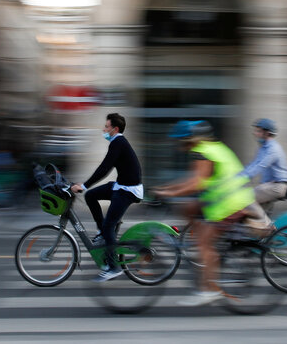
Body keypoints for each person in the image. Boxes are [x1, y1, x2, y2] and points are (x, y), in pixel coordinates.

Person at [152, 120, 256, 306]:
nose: (177, 145)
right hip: (223, 199)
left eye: (179, 141)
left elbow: (196, 184)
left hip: (229, 204)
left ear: (188, 140)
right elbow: (192, 180)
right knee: (188, 207)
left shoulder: (204, 153)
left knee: (204, 244)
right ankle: (197, 235)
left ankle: (209, 289)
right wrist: (167, 188)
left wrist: (169, 193)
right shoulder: (211, 147)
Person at [71, 113, 143, 282]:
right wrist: (87, 187)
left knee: (109, 224)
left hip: (128, 190)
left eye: (106, 127)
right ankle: (102, 232)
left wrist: (84, 184)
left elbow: (105, 168)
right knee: (91, 196)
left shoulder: (118, 142)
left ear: (115, 129)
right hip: (121, 185)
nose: (104, 129)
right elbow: (105, 167)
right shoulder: (117, 143)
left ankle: (113, 267)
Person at [238, 118, 287, 215]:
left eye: (258, 131)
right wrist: (238, 175)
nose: (255, 133)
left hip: (278, 186)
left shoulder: (273, 149)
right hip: (270, 185)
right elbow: (253, 164)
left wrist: (240, 178)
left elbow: (259, 166)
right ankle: (267, 228)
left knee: (245, 199)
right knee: (252, 216)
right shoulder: (264, 148)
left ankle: (266, 226)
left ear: (267, 133)